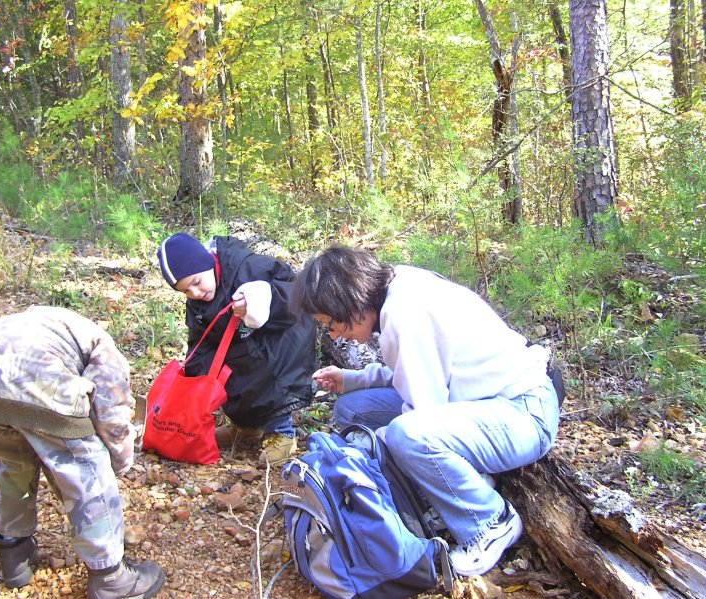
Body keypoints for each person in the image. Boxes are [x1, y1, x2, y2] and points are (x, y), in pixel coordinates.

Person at [289, 246, 560, 577]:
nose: (332, 334)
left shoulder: (405, 312)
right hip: (477, 402)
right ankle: (453, 484)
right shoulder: (394, 291)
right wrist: (355, 380)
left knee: (407, 436)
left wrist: (369, 454)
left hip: (522, 411)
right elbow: (415, 367)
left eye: (329, 323)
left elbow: (424, 413)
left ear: (349, 302)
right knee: (353, 410)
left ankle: (489, 522)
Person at [0, 306, 166, 599]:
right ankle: (111, 578)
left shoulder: (49, 324)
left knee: (15, 461)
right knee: (85, 464)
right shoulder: (103, 346)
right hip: (29, 375)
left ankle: (14, 551)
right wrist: (117, 463)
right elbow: (111, 416)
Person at [156, 232, 317, 465]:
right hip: (243, 348)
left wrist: (262, 301)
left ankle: (282, 432)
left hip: (282, 340)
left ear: (208, 263)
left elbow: (295, 294)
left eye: (196, 283)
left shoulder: (249, 268)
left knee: (260, 370)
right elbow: (199, 341)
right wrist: (195, 378)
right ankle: (246, 427)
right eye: (185, 291)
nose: (195, 293)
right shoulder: (198, 301)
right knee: (221, 369)